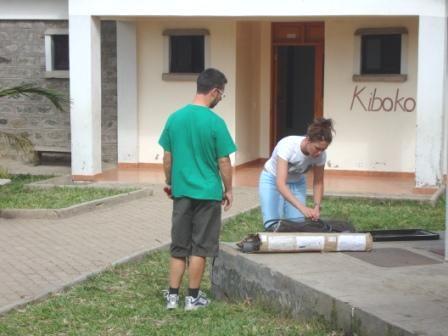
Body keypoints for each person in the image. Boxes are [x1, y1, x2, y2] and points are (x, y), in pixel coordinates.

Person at [158, 68, 237, 311]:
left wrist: (171, 182)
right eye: (221, 95)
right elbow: (224, 161)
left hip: (181, 192)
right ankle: (192, 298)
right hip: (208, 194)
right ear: (214, 91)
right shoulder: (215, 122)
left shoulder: (175, 118)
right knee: (200, 247)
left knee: (179, 247)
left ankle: (172, 297)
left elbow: (167, 157)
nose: (220, 100)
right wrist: (229, 188)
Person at [259, 118, 335, 231]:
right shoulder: (287, 146)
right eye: (317, 148)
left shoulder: (321, 155)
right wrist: (302, 208)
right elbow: (280, 184)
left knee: (297, 225)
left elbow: (318, 182)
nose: (320, 153)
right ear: (308, 140)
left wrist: (316, 206)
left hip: (297, 183)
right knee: (273, 225)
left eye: (323, 149)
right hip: (273, 180)